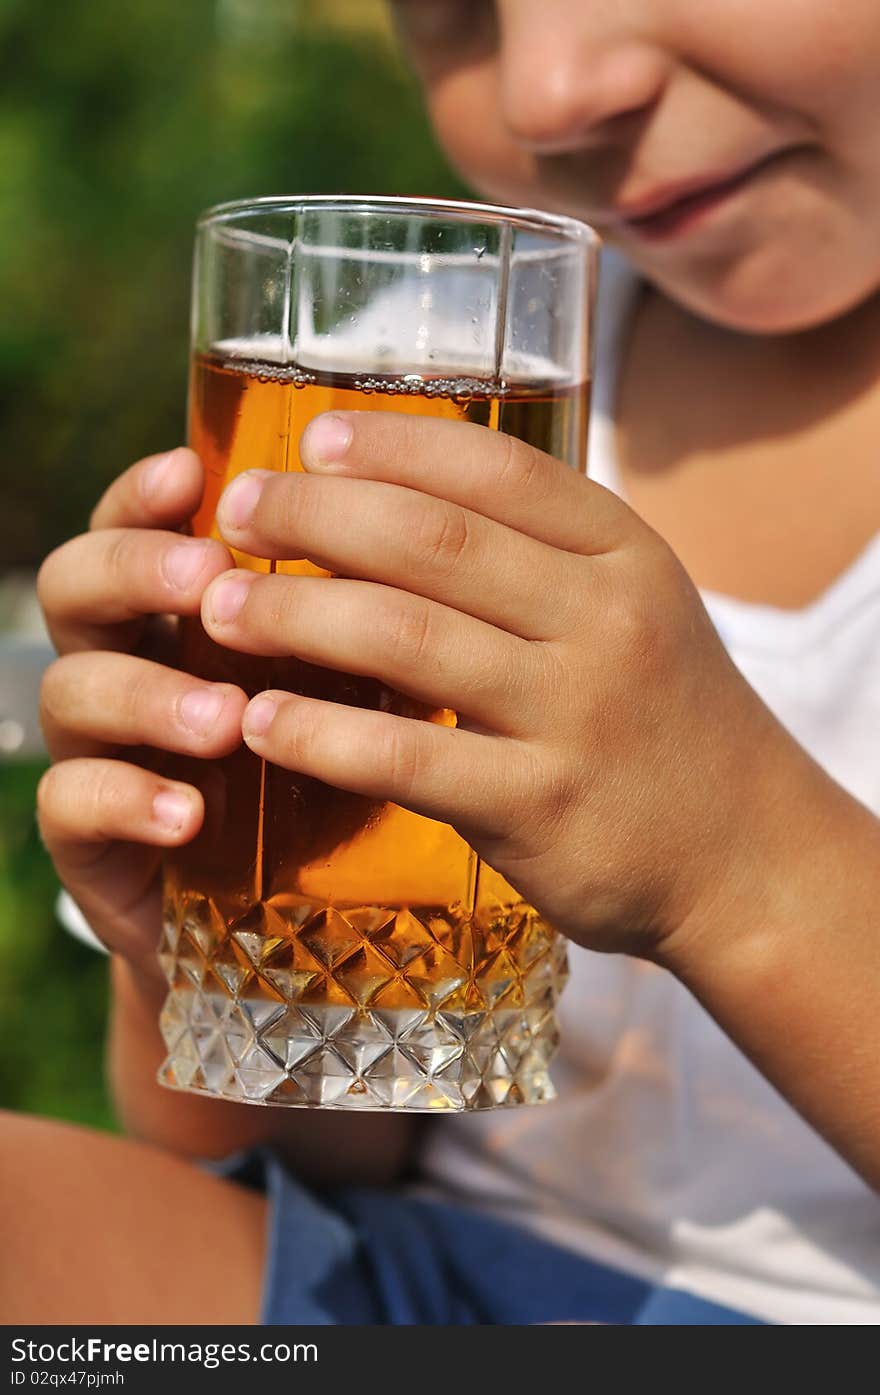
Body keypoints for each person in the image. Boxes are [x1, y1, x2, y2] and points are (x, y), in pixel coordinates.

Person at [6, 0, 880, 1325]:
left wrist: (739, 867)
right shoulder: (430, 363)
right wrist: (206, 950)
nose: (549, 91)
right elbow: (274, 1176)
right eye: (451, 13)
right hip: (420, 1281)